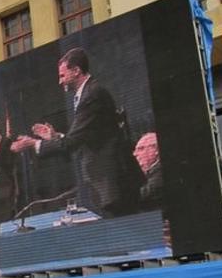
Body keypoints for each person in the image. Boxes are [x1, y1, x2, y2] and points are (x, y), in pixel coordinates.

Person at [10, 48, 143, 217]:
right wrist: (55, 137)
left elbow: (72, 142)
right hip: (107, 186)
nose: (60, 82)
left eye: (62, 76)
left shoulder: (92, 95)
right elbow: (84, 137)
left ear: (76, 71)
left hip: (115, 185)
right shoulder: (87, 94)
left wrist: (32, 143)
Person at [133, 132, 162, 209]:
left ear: (156, 150)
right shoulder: (150, 172)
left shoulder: (160, 172)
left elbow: (142, 195)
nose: (135, 154)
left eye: (141, 149)